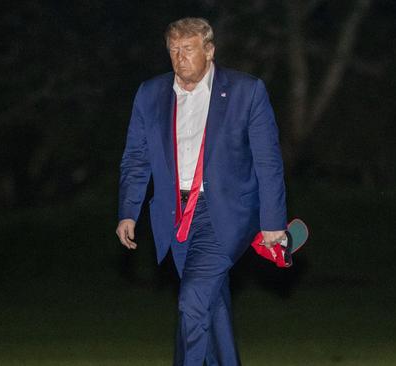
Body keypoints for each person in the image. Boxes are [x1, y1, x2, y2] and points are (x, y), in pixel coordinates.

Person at [116, 17, 287, 366]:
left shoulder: (246, 91)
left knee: (193, 299)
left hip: (224, 213)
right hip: (174, 215)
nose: (180, 58)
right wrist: (128, 210)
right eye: (173, 50)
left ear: (209, 51)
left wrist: (273, 221)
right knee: (211, 305)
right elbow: (136, 157)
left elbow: (268, 161)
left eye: (188, 49)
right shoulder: (150, 94)